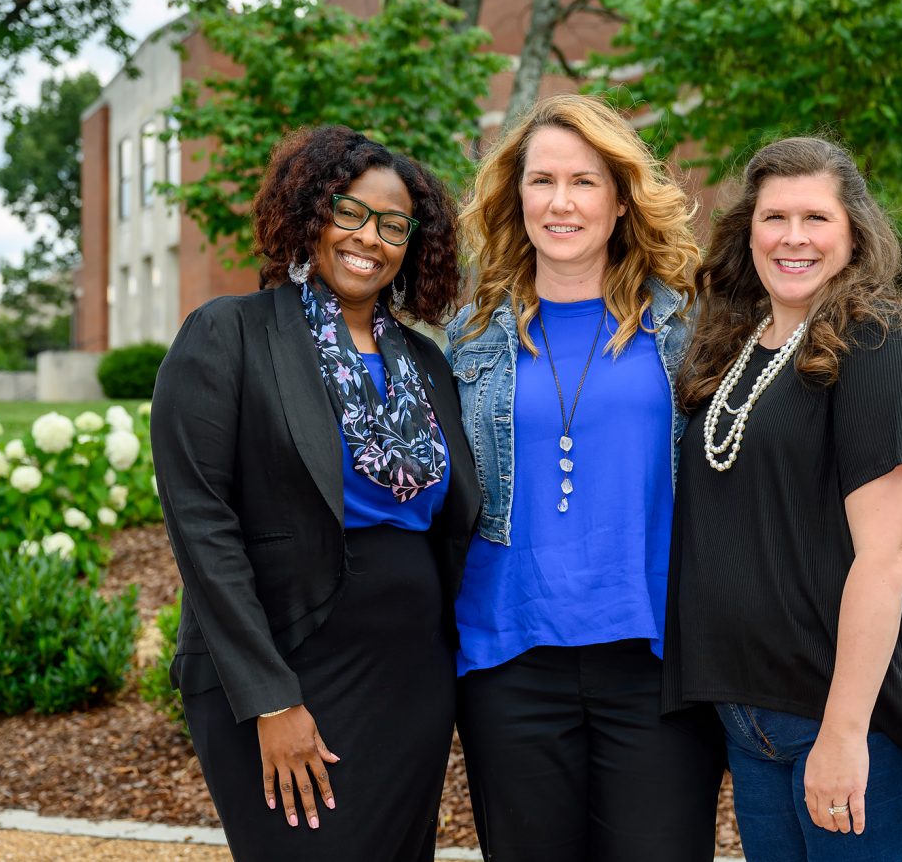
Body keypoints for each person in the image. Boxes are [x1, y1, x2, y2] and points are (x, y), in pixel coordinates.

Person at [663, 136, 902, 861]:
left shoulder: (880, 343)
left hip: (860, 717)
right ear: (748, 231)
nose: (793, 237)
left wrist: (843, 733)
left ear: (854, 234)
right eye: (774, 217)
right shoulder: (732, 344)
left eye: (816, 218)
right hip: (754, 715)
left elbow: (888, 554)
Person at [150, 125, 480, 861]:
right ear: (310, 215)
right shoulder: (229, 335)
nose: (370, 239)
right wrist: (271, 697)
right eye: (349, 212)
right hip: (284, 662)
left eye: (393, 225)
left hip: (412, 674)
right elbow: (201, 526)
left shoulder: (427, 364)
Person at [446, 93, 723, 862]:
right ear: (517, 196)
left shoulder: (688, 331)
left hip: (658, 662)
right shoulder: (468, 340)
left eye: (584, 181)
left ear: (621, 199)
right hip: (508, 660)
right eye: (542, 181)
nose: (560, 202)